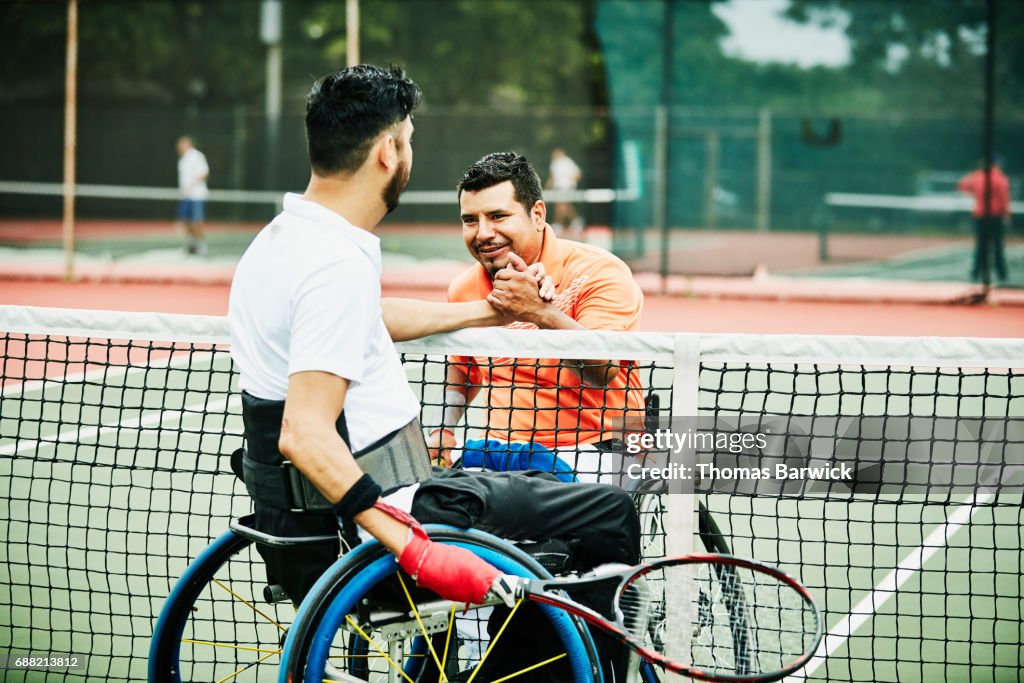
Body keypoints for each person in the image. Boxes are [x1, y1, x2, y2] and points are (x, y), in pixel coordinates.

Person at [227, 66, 639, 682]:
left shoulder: (276, 246)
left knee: (525, 482)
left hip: (301, 525)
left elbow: (367, 318)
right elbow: (304, 433)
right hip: (405, 507)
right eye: (411, 139)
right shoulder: (335, 265)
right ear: (390, 151)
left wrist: (492, 310)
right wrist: (412, 545)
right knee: (610, 513)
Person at [426, 152, 646, 484]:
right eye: (470, 220)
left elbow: (603, 369)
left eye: (498, 216)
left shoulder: (600, 272)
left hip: (597, 453)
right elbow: (464, 368)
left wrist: (541, 313)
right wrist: (444, 428)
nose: (483, 232)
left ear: (538, 214)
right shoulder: (464, 288)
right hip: (500, 455)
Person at [958, 158, 1012, 283]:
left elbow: (963, 185)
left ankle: (976, 273)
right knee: (998, 246)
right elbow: (1004, 198)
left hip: (981, 215)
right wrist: (1006, 214)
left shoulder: (978, 176)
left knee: (981, 245)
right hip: (996, 216)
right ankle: (1001, 274)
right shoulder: (1000, 178)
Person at [175, 136, 210, 256]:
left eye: (182, 143)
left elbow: (204, 173)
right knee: (185, 221)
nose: (179, 146)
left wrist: (191, 185)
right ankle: (191, 246)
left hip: (197, 196)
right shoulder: (182, 159)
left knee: (196, 222)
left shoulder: (196, 156)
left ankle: (201, 246)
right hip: (185, 196)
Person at [547, 147, 584, 238]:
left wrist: (570, 182)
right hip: (559, 188)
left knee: (561, 206)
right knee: (563, 206)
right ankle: (576, 221)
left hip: (567, 187)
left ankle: (558, 225)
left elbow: (578, 174)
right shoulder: (554, 163)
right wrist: (548, 187)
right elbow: (552, 177)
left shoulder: (568, 162)